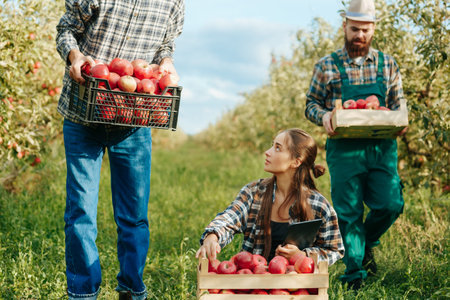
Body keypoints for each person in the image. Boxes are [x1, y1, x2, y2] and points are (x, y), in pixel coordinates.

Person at [55, 1, 185, 299]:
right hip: (83, 110)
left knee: (134, 215)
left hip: (133, 118)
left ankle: (131, 288)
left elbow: (166, 43)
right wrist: (74, 56)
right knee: (80, 212)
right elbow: (67, 30)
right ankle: (83, 292)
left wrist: (166, 61)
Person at [305, 0, 406, 290]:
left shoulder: (388, 64)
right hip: (344, 150)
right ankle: (354, 277)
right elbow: (310, 104)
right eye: (354, 29)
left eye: (364, 30)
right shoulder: (326, 65)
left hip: (380, 148)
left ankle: (367, 241)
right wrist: (324, 115)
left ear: (373, 30)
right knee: (348, 214)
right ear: (344, 27)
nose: (359, 35)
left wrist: (400, 119)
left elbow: (399, 105)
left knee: (391, 204)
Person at [196, 129, 344, 268]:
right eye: (271, 146)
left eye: (278, 148)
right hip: (253, 282)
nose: (267, 152)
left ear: (296, 161)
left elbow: (334, 249)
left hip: (295, 287)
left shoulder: (318, 205)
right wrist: (213, 235)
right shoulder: (254, 192)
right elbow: (230, 217)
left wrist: (303, 256)